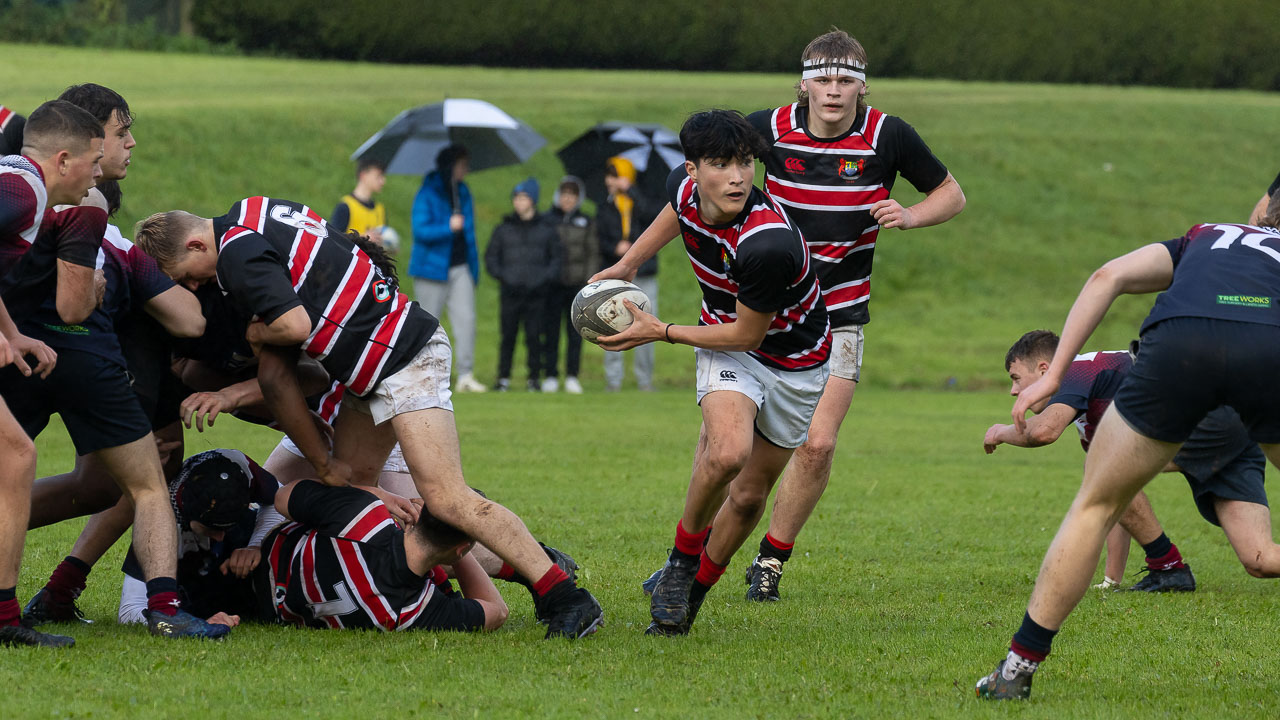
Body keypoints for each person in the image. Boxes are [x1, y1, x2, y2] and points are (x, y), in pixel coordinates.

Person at [134, 195, 603, 639]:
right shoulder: (255, 212)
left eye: (187, 277)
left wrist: (257, 332)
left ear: (197, 244)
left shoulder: (234, 251)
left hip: (403, 356)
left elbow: (293, 328)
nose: (194, 288)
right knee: (350, 485)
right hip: (371, 365)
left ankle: (565, 596)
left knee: (446, 498)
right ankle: (394, 574)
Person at [975, 209, 1280, 700]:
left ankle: (1016, 672)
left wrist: (1055, 378)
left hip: (1183, 346)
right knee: (1256, 554)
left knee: (1095, 504)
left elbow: (1108, 275)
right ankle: (1166, 563)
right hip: (1265, 356)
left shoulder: (1206, 235)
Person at [727, 29, 966, 601]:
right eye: (824, 79)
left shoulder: (887, 134)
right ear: (804, 82)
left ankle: (770, 562)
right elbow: (705, 180)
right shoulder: (767, 128)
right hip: (769, 313)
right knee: (732, 457)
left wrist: (909, 216)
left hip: (840, 314)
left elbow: (951, 194)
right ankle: (687, 557)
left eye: (846, 81)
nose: (834, 91)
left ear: (862, 86)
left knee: (819, 444)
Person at [594, 109, 831, 635]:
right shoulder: (684, 188)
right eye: (721, 164)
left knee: (748, 498)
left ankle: (691, 597)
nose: (737, 176)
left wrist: (663, 331)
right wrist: (629, 264)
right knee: (726, 452)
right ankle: (680, 564)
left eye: (745, 163)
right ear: (693, 168)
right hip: (727, 347)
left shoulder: (766, 242)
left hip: (793, 361)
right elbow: (675, 213)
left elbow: (749, 334)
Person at [985, 330, 1203, 591]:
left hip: (1212, 421)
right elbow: (1120, 496)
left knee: (1105, 471)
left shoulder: (1077, 370)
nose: (1013, 391)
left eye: (1016, 379)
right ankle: (1165, 569)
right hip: (1208, 429)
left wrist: (1000, 431)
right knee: (1257, 558)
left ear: (1044, 370)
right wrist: (1112, 581)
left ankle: (1168, 567)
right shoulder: (1088, 402)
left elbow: (1044, 431)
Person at [410, 144, 485, 392]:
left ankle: (466, 374)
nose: (467, 169)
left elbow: (470, 234)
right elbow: (420, 230)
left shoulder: (463, 192)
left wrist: (473, 270)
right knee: (429, 322)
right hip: (431, 269)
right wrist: (447, 226)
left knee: (466, 320)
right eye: (462, 164)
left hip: (460, 266)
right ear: (450, 165)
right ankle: (427, 374)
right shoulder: (428, 192)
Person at [484, 177, 562, 392]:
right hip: (510, 293)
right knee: (507, 336)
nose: (518, 202)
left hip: (537, 294)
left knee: (534, 337)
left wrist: (542, 280)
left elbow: (556, 260)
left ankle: (534, 378)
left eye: (523, 198)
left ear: (533, 200)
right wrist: (505, 277)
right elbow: (491, 258)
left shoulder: (546, 230)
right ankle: (503, 378)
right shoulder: (503, 229)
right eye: (516, 198)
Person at [597, 156, 659, 392]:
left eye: (615, 176)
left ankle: (645, 380)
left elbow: (653, 218)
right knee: (611, 323)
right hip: (615, 274)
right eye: (608, 176)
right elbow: (599, 237)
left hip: (645, 273)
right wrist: (615, 248)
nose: (610, 181)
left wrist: (631, 190)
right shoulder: (605, 207)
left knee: (648, 325)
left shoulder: (640, 199)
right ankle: (613, 381)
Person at [542, 176, 598, 394]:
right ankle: (550, 374)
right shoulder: (547, 220)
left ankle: (572, 375)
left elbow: (592, 252)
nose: (567, 199)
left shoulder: (586, 221)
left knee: (576, 332)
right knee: (551, 331)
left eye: (572, 195)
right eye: (564, 194)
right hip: (552, 285)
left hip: (577, 285)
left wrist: (588, 282)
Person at [330, 157, 388, 247]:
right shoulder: (345, 207)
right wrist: (361, 237)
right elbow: (334, 239)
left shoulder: (380, 210)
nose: (383, 181)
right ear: (363, 175)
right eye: (379, 176)